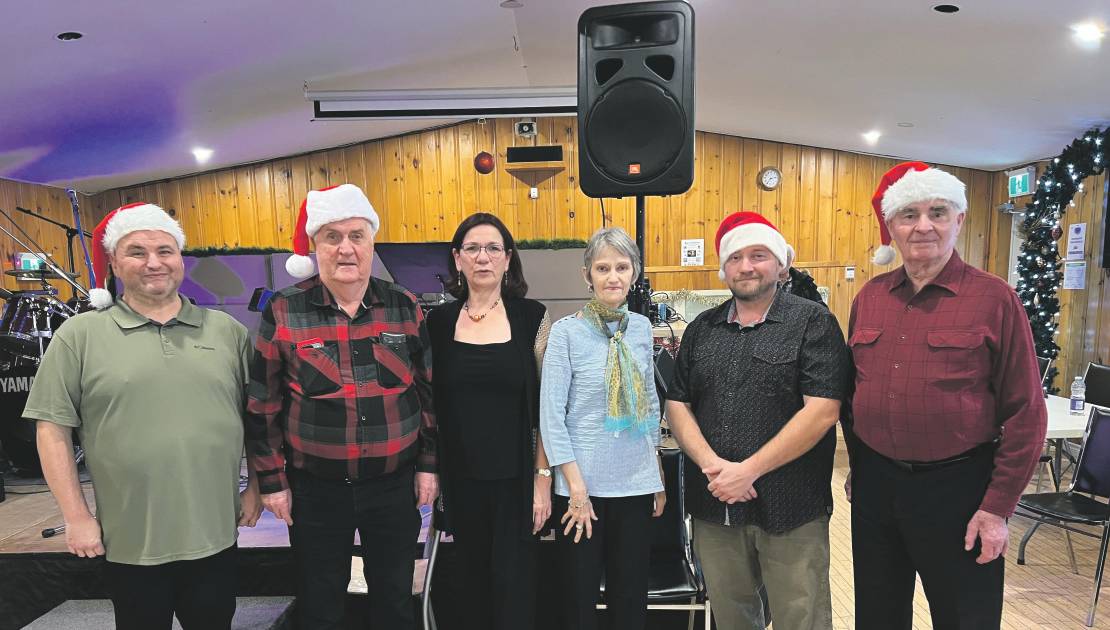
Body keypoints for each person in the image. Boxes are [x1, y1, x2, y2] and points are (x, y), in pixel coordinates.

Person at [24, 202, 261, 630]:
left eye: (165, 251)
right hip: (130, 542)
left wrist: (257, 488)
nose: (154, 262)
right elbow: (52, 429)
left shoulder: (227, 332)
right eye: (137, 252)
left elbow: (258, 421)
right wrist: (76, 517)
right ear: (114, 263)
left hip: (215, 535)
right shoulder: (79, 336)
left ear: (180, 259)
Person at [847, 161, 1048, 629]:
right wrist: (860, 466)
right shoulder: (870, 298)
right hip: (877, 487)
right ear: (891, 227)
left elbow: (1026, 412)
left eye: (937, 212)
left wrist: (997, 508)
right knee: (877, 616)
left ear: (958, 220)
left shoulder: (995, 299)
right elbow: (853, 393)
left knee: (965, 618)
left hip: (960, 491)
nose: (923, 226)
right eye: (909, 214)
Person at [245, 184, 437, 630]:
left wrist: (429, 465)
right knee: (319, 603)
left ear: (371, 243)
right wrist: (272, 483)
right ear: (316, 246)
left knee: (394, 599)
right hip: (315, 490)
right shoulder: (285, 310)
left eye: (356, 236)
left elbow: (428, 394)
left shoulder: (403, 305)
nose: (345, 248)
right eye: (332, 237)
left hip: (393, 486)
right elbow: (262, 404)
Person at [665, 211, 849, 630]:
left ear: (781, 264)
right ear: (723, 269)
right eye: (735, 257)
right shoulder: (702, 328)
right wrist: (714, 467)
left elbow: (822, 410)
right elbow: (678, 403)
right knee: (732, 617)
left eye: (758, 255)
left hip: (791, 505)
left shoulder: (813, 322)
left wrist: (747, 471)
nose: (746, 266)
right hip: (715, 504)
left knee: (800, 616)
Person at [426, 212, 552, 629]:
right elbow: (429, 405)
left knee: (515, 591)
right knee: (469, 592)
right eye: (473, 248)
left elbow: (549, 408)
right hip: (459, 482)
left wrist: (542, 480)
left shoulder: (533, 318)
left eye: (494, 248)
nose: (483, 257)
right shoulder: (437, 323)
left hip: (517, 482)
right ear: (457, 258)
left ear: (508, 258)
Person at [540, 226, 665, 630]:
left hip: (635, 484)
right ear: (587, 275)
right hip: (581, 490)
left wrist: (656, 475)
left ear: (634, 273)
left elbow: (649, 405)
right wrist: (576, 488)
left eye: (622, 267)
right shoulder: (566, 332)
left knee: (630, 599)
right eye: (603, 268)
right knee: (579, 600)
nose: (613, 277)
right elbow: (551, 416)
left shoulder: (641, 328)